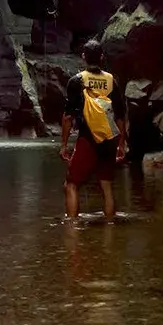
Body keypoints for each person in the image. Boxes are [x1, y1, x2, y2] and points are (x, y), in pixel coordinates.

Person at [60, 39, 127, 218]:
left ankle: (72, 230)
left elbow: (68, 117)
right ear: (102, 57)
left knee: (71, 184)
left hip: (88, 139)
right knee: (106, 185)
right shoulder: (111, 80)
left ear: (83, 57)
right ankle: (109, 230)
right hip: (109, 139)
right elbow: (120, 116)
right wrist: (122, 143)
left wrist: (64, 145)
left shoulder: (77, 81)